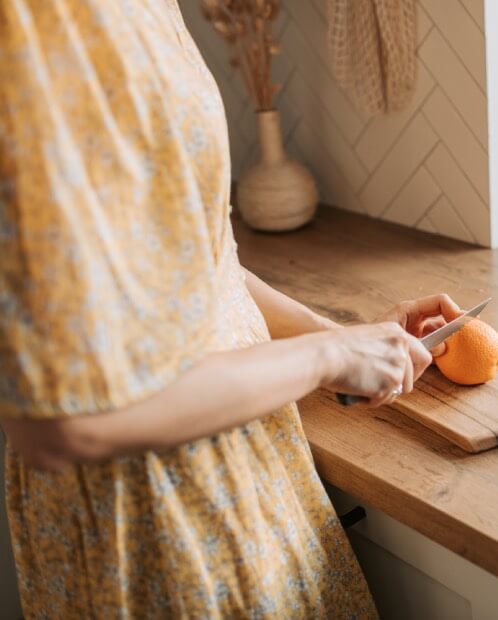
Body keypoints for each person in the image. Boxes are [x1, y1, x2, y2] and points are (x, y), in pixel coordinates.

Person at [0, 1, 459, 616]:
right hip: (157, 523)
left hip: (244, 465)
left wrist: (342, 339)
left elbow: (197, 266)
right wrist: (325, 356)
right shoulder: (32, 23)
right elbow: (68, 423)